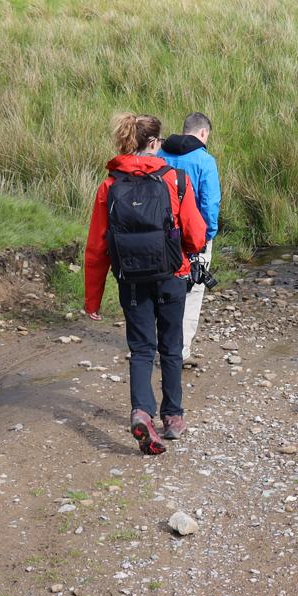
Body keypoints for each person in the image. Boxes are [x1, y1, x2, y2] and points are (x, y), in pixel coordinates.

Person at [84, 113, 207, 455]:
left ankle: (142, 412)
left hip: (131, 279)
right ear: (154, 143)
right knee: (171, 345)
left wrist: (92, 298)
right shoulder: (175, 180)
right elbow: (196, 237)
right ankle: (173, 416)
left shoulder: (109, 185)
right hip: (171, 275)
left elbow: (96, 247)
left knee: (140, 349)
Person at [158, 112, 220, 366]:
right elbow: (210, 202)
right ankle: (180, 351)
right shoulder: (205, 160)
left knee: (163, 287)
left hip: (161, 233)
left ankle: (161, 345)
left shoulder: (159, 155)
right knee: (193, 291)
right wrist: (208, 234)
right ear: (203, 133)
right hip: (193, 235)